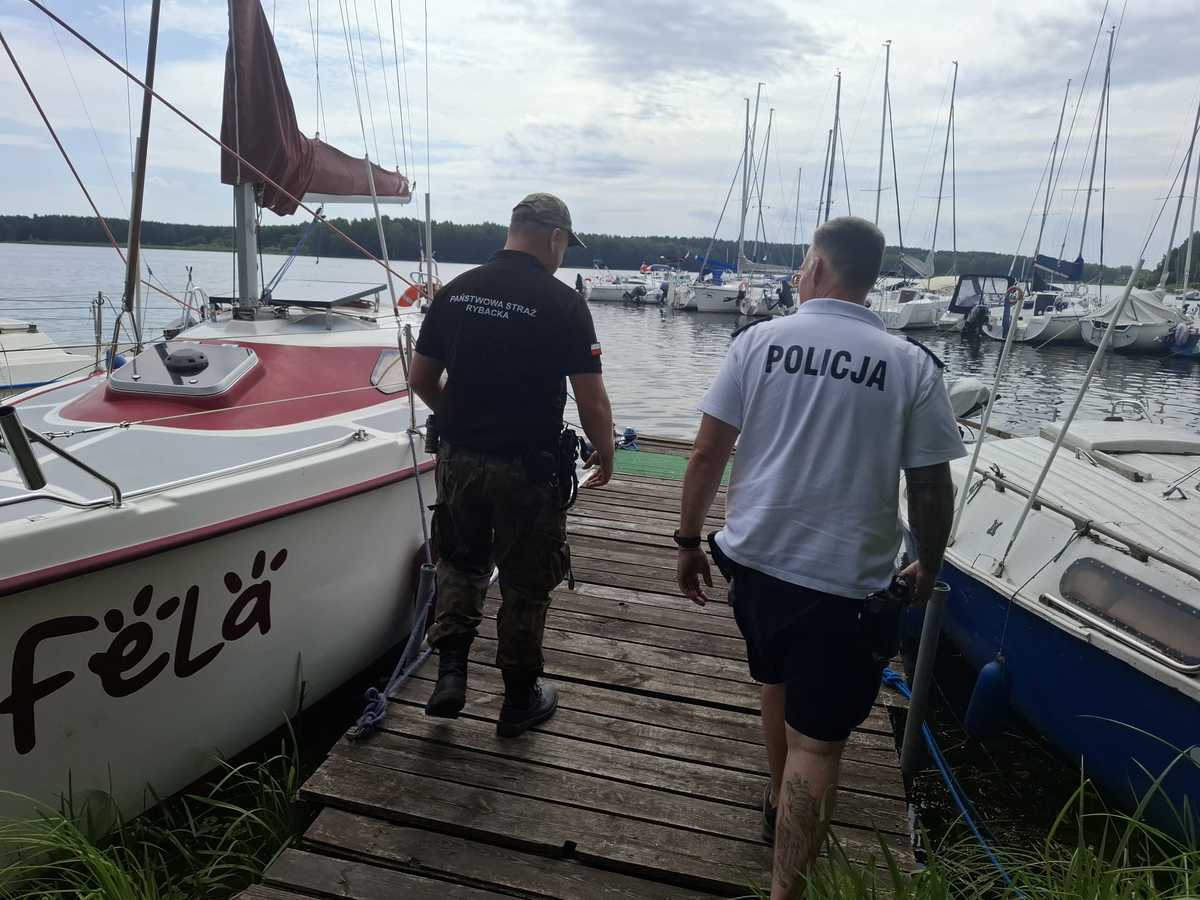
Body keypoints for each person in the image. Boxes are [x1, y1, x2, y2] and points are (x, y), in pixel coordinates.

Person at [674, 216, 963, 898]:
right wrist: (929, 564)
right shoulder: (911, 365)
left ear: (819, 268)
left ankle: (780, 799)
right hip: (847, 586)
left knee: (775, 680)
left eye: (805, 263)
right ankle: (786, 885)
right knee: (818, 744)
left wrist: (687, 541)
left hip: (757, 567)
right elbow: (930, 484)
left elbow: (707, 453)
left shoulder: (757, 342)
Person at [409, 192, 615, 738]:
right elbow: (591, 400)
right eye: (565, 247)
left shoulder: (456, 292)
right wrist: (606, 449)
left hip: (459, 460)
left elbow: (420, 379)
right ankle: (519, 698)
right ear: (554, 237)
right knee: (526, 581)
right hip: (528, 469)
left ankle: (450, 674)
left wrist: (460, 419)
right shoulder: (563, 303)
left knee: (460, 563)